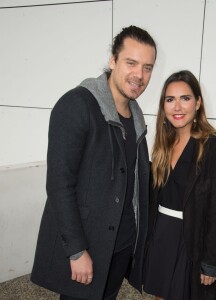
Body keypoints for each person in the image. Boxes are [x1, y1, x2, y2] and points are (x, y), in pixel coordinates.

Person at [31, 25, 157, 300]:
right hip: (88, 246)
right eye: (131, 63)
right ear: (113, 61)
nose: (139, 75)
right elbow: (59, 185)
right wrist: (76, 251)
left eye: (147, 67)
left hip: (121, 245)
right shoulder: (77, 104)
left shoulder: (135, 116)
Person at [143, 70, 216, 300]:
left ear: (198, 103)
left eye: (185, 98)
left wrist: (212, 261)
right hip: (162, 235)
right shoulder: (163, 145)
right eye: (170, 99)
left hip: (192, 240)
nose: (177, 107)